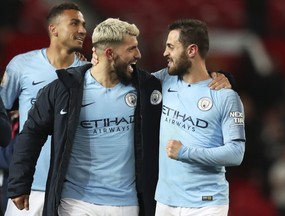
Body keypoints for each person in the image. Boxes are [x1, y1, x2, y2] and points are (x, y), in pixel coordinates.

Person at [7, 18, 232, 216]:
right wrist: (19, 183)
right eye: (132, 49)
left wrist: (222, 76)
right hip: (76, 201)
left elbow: (193, 78)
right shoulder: (64, 90)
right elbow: (32, 134)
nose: (139, 54)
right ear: (109, 53)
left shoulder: (148, 87)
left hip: (127, 204)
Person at [0, 2, 87, 215]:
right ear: (53, 29)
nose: (83, 30)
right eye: (74, 23)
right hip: (27, 185)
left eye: (84, 24)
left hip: (73, 189)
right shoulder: (21, 65)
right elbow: (4, 110)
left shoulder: (89, 72)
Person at [153, 19, 246, 216]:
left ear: (191, 50)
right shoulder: (162, 80)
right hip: (165, 201)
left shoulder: (225, 96)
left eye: (171, 47)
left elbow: (236, 153)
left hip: (206, 203)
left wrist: (185, 153)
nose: (165, 53)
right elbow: (122, 76)